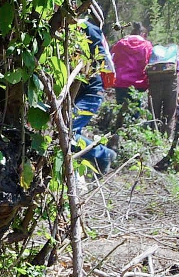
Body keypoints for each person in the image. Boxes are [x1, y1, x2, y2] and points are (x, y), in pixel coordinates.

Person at [71, 18, 117, 173]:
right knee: (65, 132)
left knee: (66, 132)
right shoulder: (58, 28)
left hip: (91, 91)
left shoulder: (87, 28)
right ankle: (103, 154)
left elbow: (101, 58)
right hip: (74, 92)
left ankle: (104, 155)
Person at [110, 23, 153, 124]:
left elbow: (113, 59)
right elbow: (150, 63)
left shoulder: (121, 43)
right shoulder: (147, 45)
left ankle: (117, 131)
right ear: (143, 34)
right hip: (139, 83)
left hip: (121, 81)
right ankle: (130, 131)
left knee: (120, 109)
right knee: (135, 111)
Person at [146, 43, 179, 134]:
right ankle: (166, 137)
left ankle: (152, 134)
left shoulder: (155, 56)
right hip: (171, 84)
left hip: (155, 82)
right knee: (170, 113)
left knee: (153, 111)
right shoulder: (178, 56)